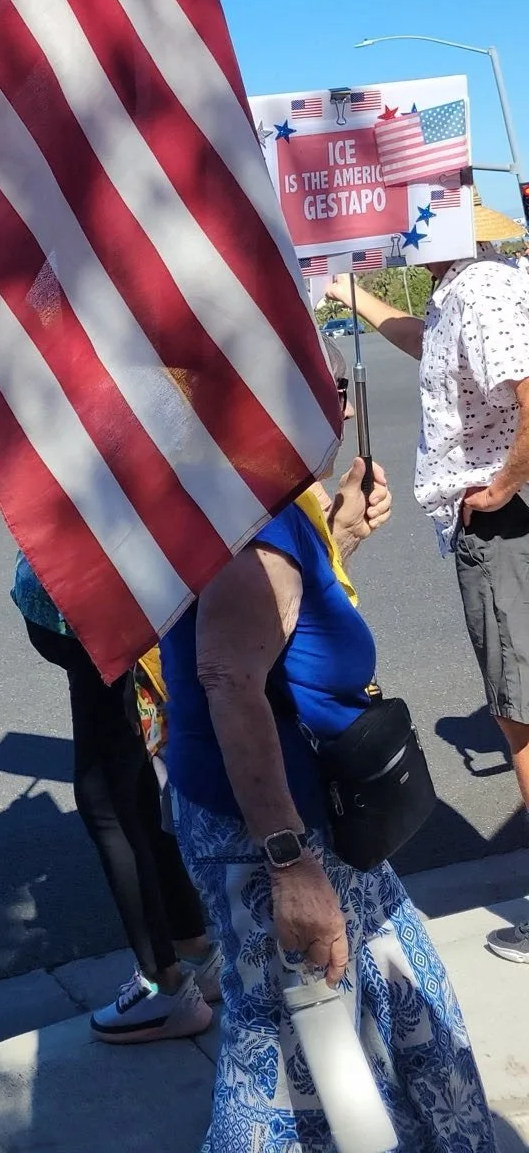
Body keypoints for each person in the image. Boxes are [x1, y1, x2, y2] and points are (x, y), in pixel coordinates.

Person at [160, 457, 493, 1149]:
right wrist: (289, 865)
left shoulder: (269, 500)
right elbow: (228, 675)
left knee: (403, 1011)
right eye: (323, 383)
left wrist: (338, 532)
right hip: (273, 835)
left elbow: (284, 625)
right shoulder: (250, 507)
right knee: (285, 1065)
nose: (334, 403)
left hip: (323, 829)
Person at [335, 254, 529, 962]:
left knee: (524, 720)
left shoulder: (480, 287)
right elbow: (426, 337)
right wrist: (354, 295)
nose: (396, 233)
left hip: (507, 527)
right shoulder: (464, 292)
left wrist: (504, 484)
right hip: (502, 525)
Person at [11, 551, 220, 1042]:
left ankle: (164, 985)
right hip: (113, 604)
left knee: (109, 800)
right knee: (133, 786)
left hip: (99, 607)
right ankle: (193, 948)